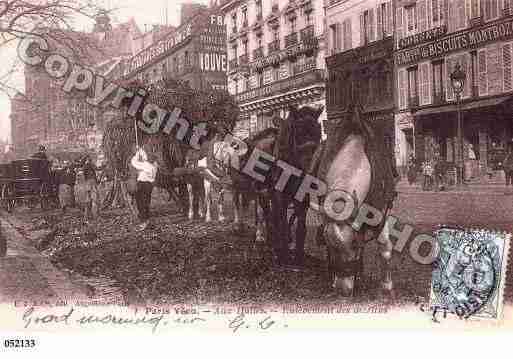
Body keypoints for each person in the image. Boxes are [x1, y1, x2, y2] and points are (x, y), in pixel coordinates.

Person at [131, 147, 158, 231]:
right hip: (149, 185)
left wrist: (137, 153)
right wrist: (141, 151)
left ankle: (144, 222)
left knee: (141, 203)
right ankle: (146, 221)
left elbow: (134, 162)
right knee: (146, 203)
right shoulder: (154, 166)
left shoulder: (147, 165)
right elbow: (144, 158)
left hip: (143, 184)